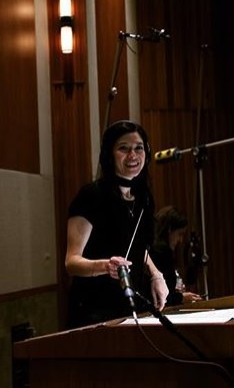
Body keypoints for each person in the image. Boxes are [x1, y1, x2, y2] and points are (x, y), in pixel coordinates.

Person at [65, 120, 169, 329]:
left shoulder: (143, 198)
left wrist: (157, 275)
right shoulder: (91, 195)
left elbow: (139, 247)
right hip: (95, 310)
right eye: (124, 148)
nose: (133, 155)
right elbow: (72, 262)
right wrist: (105, 266)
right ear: (109, 154)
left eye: (139, 148)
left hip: (131, 306)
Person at [149, 205, 202, 306]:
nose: (180, 240)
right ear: (169, 229)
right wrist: (181, 298)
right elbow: (163, 296)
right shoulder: (162, 253)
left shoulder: (152, 248)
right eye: (180, 234)